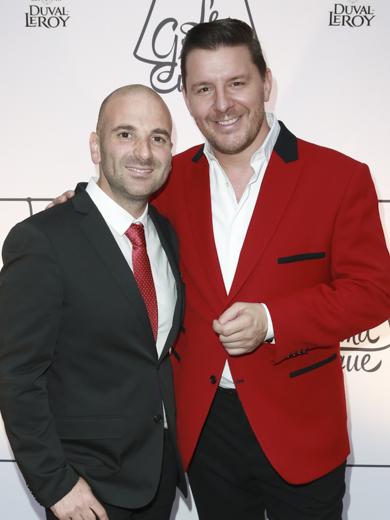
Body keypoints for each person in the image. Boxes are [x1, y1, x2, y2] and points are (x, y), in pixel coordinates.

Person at [47, 19, 390, 520]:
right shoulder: (165, 179)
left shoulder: (339, 178)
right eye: (203, 88)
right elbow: (113, 206)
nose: (222, 104)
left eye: (237, 83)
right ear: (185, 96)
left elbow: (374, 292)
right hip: (202, 432)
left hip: (302, 434)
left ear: (266, 82)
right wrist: (77, 209)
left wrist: (272, 320)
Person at [0, 84, 186, 520]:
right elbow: (17, 374)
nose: (143, 151)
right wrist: (55, 484)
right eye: (126, 134)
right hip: (87, 490)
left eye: (158, 138)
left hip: (159, 479)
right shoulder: (43, 239)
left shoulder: (167, 234)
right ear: (95, 145)